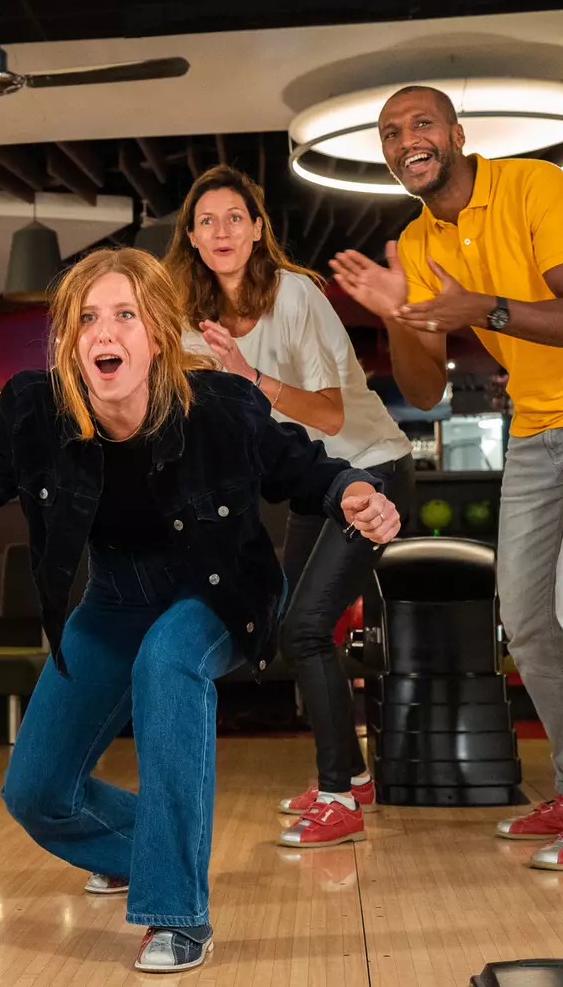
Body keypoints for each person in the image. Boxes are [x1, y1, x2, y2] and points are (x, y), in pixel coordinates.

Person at [0, 249, 400, 973]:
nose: (105, 331)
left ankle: (176, 912)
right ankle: (153, 852)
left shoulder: (219, 405)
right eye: (88, 318)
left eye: (125, 315)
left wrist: (356, 496)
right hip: (114, 599)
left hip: (219, 591)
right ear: (69, 339)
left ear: (155, 333)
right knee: (35, 793)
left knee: (168, 659)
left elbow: (304, 470)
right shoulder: (34, 411)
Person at [329, 85, 563, 873]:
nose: (405, 140)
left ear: (456, 134)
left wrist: (476, 307)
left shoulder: (538, 188)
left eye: (420, 124)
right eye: (390, 133)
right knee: (525, 618)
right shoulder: (418, 244)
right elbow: (426, 391)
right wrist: (399, 313)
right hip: (539, 422)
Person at [167, 166, 413, 850]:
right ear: (191, 236)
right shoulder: (193, 321)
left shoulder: (297, 295)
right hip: (315, 479)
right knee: (291, 628)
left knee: (307, 627)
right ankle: (352, 779)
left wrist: (248, 376)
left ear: (256, 230)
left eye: (234, 218)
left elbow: (330, 414)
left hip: (370, 468)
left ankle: (340, 796)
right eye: (207, 220)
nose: (222, 231)